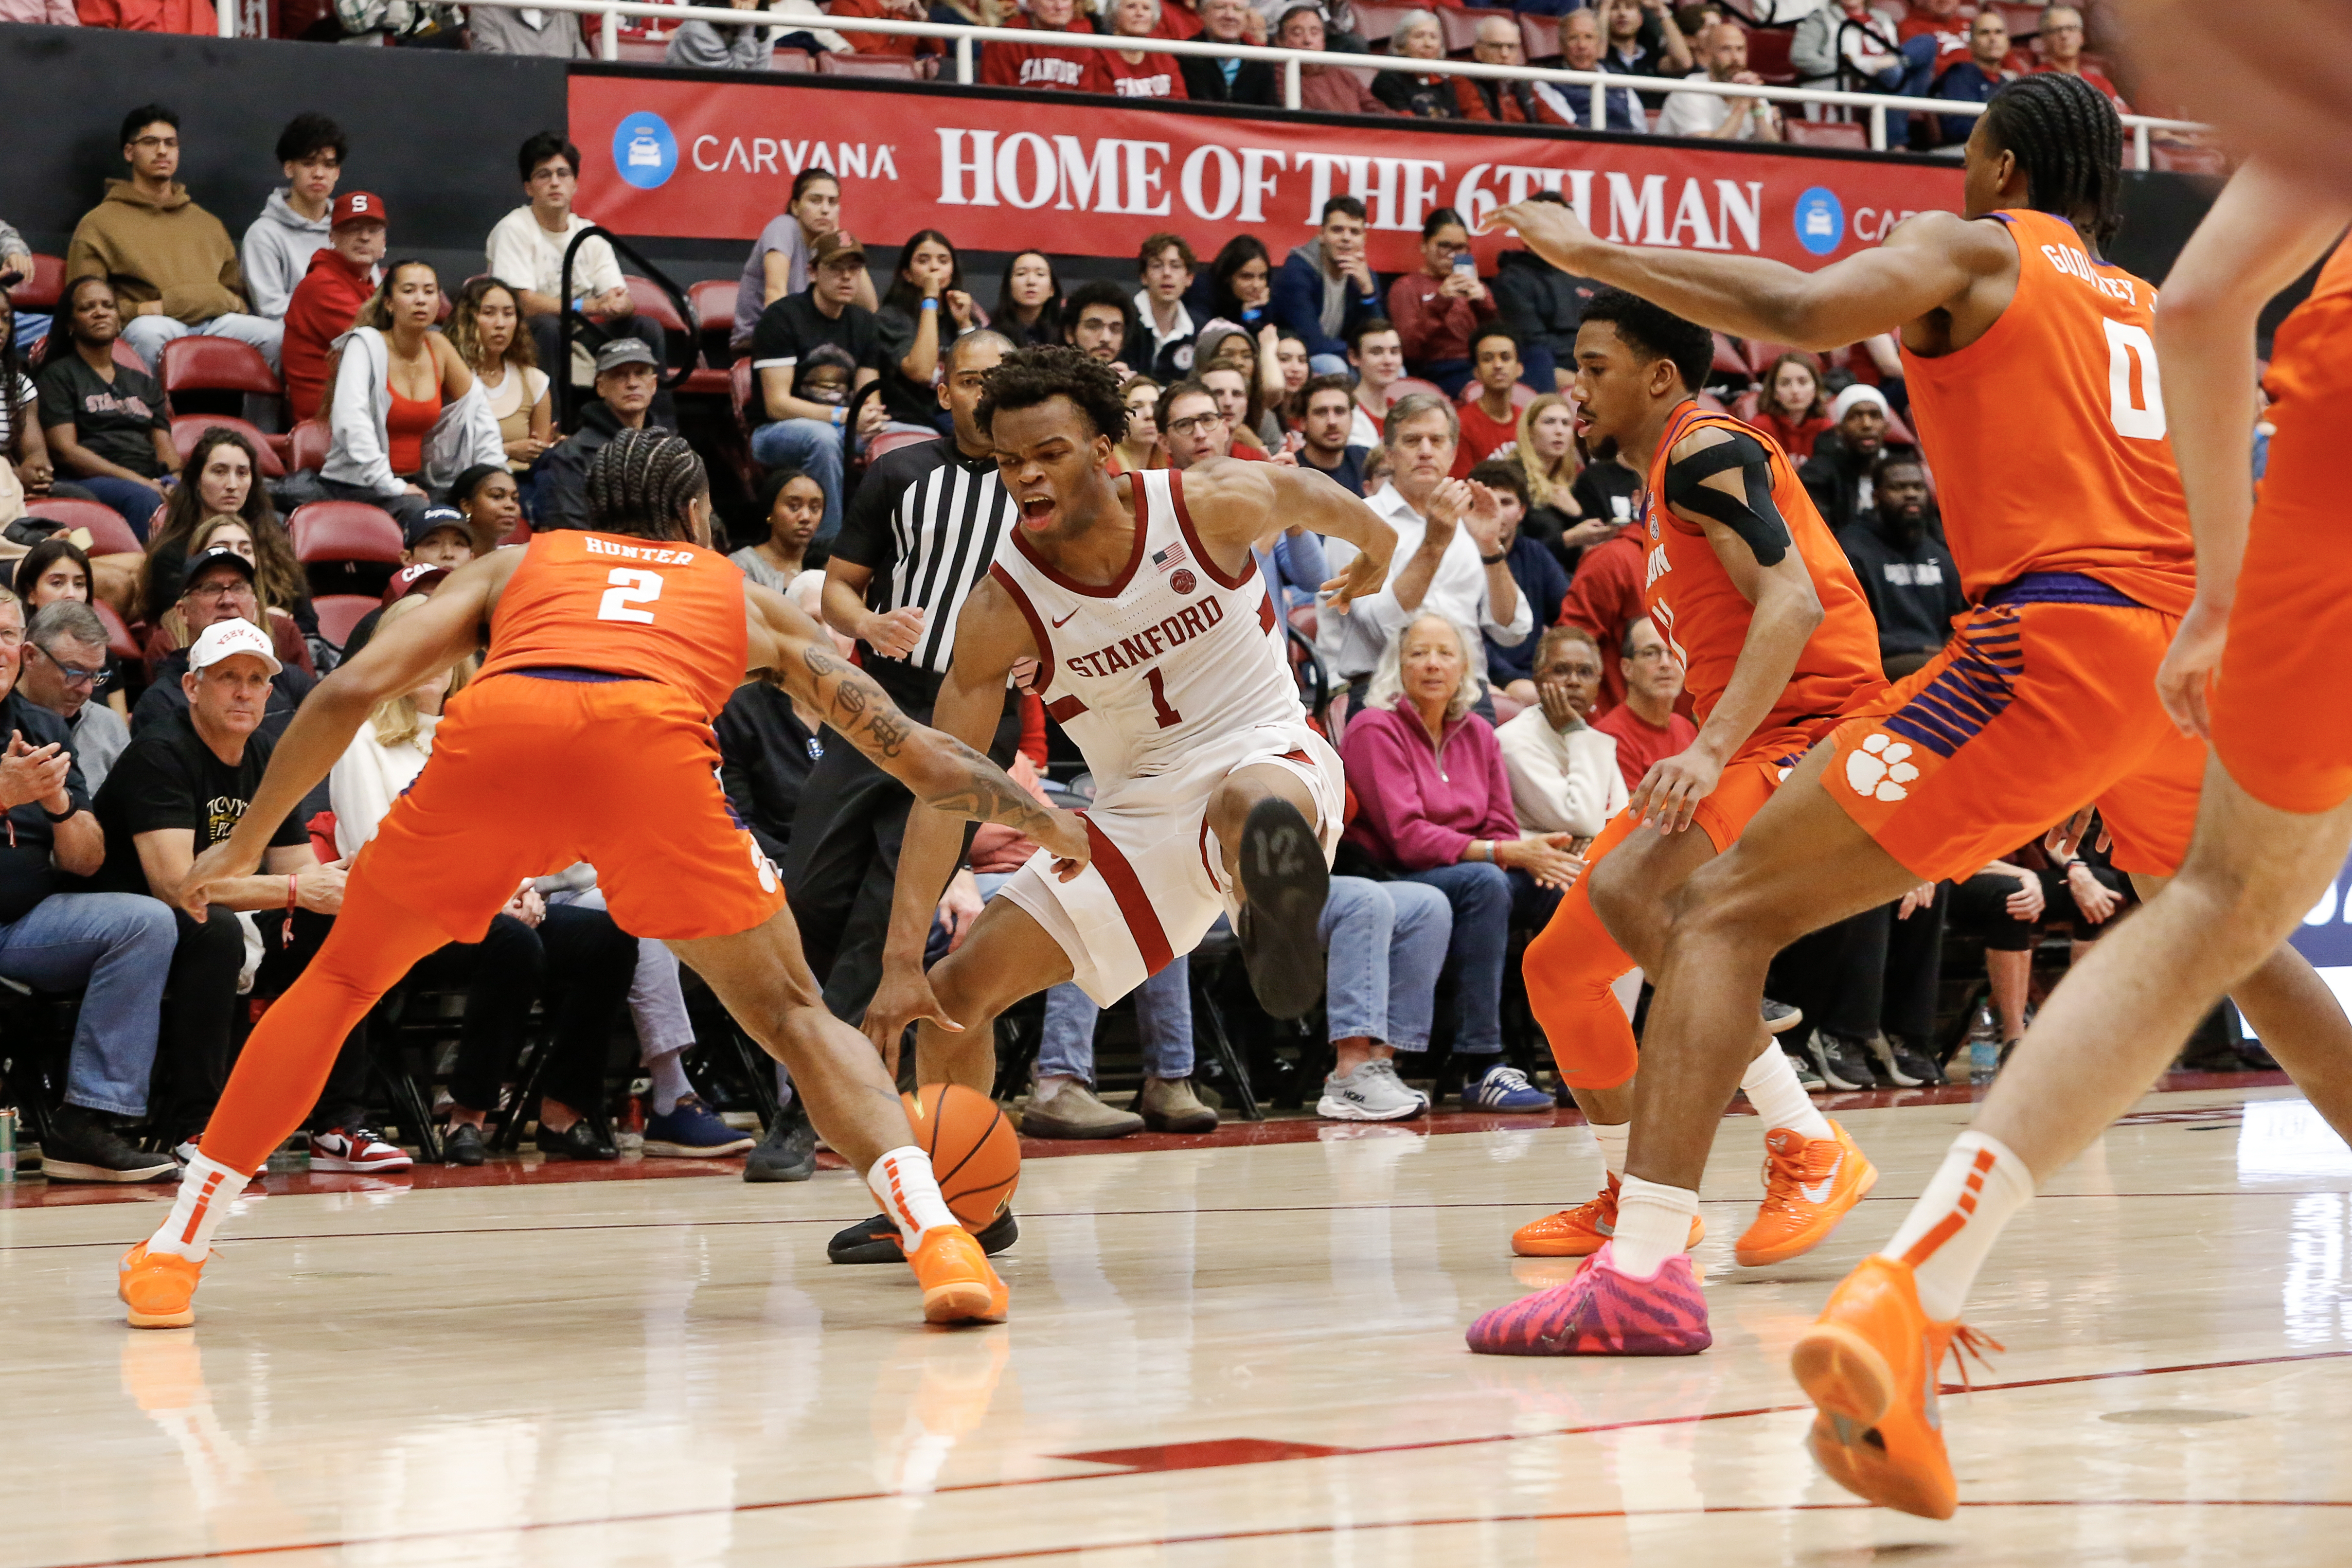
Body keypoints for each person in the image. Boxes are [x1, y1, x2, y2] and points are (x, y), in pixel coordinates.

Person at [1479, 78, 2351, 1399]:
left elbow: (1796, 308)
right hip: (2181, 659)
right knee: (2228, 935)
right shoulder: (2144, 297)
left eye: (1968, 151)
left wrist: (1591, 250)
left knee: (1713, 911)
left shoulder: (1981, 249)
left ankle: (1643, 1272)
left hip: (2052, 641)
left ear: (2000, 167)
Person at [119, 428, 1094, 1332]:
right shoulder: (737, 591)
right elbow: (912, 750)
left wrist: (243, 844)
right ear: (695, 514)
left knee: (339, 982)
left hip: (506, 738)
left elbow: (349, 687)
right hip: (648, 756)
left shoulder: (517, 564)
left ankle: (174, 1252)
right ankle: (940, 1239)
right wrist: (1044, 817)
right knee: (799, 1014)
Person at [1781, 156, 2352, 1519]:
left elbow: (2201, 306)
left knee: (2209, 906)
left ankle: (1912, 1283)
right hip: (2099, 608)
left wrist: (2220, 595)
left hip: (2311, 470)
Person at [830, 345, 1399, 1265]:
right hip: (1133, 810)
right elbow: (945, 783)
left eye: (1048, 453)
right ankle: (964, 1203)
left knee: (1248, 801)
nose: (1026, 476)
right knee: (954, 996)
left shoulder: (1210, 500)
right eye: (1009, 461)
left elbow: (1322, 496)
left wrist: (1380, 550)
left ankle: (1270, 911)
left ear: (1104, 448)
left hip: (1264, 746)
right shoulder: (1001, 604)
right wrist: (902, 960)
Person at [1448, 289, 1887, 1357]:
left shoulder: (1703, 447)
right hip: (1750, 735)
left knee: (1635, 890)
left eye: (1595, 366)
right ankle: (1632, 1193)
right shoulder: (1661, 481)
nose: (1575, 387)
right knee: (1561, 968)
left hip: (1806, 734)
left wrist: (1703, 746)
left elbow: (1792, 603)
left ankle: (1807, 1142)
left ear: (1657, 375)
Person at [326, 593, 634, 1165]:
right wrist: (497, 894)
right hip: (404, 918)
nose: (434, 656)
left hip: (489, 905)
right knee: (510, 942)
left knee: (609, 936)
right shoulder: (360, 738)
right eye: (419, 644)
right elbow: (379, 850)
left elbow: (516, 832)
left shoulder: (477, 731)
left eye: (444, 644)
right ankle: (467, 1113)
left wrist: (521, 887)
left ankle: (563, 1108)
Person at [789, 334, 1026, 1060]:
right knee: (807, 890)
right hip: (881, 699)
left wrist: (1048, 655)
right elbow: (838, 587)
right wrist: (866, 624)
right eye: (973, 380)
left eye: (1000, 380)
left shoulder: (1041, 485)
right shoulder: (899, 471)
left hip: (976, 712)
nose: (987, 394)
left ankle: (829, 1086)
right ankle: (851, 1061)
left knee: (891, 907)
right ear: (945, 391)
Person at [1339, 612, 1572, 1108]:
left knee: (1559, 886)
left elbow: (1501, 825)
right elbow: (1407, 839)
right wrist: (1501, 853)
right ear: (1397, 665)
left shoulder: (1479, 733)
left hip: (1473, 870)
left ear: (1464, 667)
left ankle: (1573, 1058)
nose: (1433, 664)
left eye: (1445, 653)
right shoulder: (1372, 727)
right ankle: (1481, 1064)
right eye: (1419, 653)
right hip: (1396, 874)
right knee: (1486, 884)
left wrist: (1517, 854)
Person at [0, 585, 178, 1183]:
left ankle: (88, 1122)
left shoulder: (43, 724)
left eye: (6, 635)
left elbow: (86, 860)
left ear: (22, 648)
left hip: (24, 923)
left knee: (146, 921)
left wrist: (56, 803)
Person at [1318, 394, 1530, 704]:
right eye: (1413, 440)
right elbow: (1381, 626)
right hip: (1384, 690)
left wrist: (1490, 548)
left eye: (1437, 440)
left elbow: (1512, 630)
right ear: (1389, 454)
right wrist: (1433, 545)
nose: (1426, 451)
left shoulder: (1470, 523)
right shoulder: (1355, 522)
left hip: (1468, 692)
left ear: (1453, 453)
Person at [66, 106, 283, 375]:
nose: (162, 151)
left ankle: (260, 408)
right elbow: (83, 303)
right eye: (151, 142)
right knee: (148, 332)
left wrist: (225, 303)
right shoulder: (99, 223)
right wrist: (146, 309)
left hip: (216, 324)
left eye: (170, 143)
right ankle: (144, 405)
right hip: (153, 324)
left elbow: (234, 293)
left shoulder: (207, 223)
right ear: (129, 152)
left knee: (275, 336)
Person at [318, 259, 502, 535]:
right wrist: (390, 484)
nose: (421, 300)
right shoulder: (365, 344)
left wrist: (497, 477)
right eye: (409, 291)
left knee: (480, 513)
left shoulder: (439, 346)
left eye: (429, 291)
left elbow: (480, 414)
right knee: (433, 522)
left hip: (416, 484)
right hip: (357, 486)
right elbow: (351, 420)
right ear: (389, 303)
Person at [484, 133, 661, 394]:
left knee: (645, 328)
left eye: (563, 174)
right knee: (548, 326)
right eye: (544, 175)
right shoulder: (514, 228)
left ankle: (659, 418)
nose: (555, 183)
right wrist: (589, 306)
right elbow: (523, 303)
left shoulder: (590, 234)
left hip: (581, 333)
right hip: (530, 335)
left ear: (575, 183)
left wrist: (619, 306)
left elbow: (620, 297)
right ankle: (551, 418)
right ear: (529, 187)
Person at [748, 232, 885, 545]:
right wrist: (845, 417)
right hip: (776, 431)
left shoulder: (864, 323)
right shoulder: (782, 317)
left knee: (908, 439)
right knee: (822, 439)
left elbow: (870, 398)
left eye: (854, 268)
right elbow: (777, 405)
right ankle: (826, 549)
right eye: (836, 267)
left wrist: (870, 419)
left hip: (844, 427)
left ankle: (891, 544)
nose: (847, 277)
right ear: (812, 271)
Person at [34, 277, 178, 539]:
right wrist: (138, 481)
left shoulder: (143, 383)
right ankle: (146, 565)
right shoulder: (58, 376)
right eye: (88, 307)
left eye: (108, 305)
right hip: (87, 480)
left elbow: (166, 452)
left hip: (148, 478)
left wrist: (176, 482)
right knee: (142, 498)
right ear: (70, 324)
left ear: (119, 320)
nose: (100, 312)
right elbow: (65, 451)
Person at [131, 546, 319, 738]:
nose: (228, 600)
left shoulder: (291, 681)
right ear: (183, 612)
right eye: (211, 588)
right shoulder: (161, 701)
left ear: (255, 608)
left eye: (238, 588)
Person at [139, 426, 287, 624]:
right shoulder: (170, 556)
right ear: (197, 481)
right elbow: (180, 626)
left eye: (242, 473)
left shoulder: (273, 545)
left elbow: (306, 621)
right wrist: (265, 618)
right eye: (219, 472)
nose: (232, 485)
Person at [1837, 451, 1963, 678]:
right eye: (1899, 488)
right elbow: (1849, 630)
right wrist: (1921, 649)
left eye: (1918, 487)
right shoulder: (1852, 549)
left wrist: (1950, 647)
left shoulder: (1940, 554)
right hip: (1878, 661)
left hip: (1939, 658)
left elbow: (1957, 619)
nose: (1911, 494)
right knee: (1939, 672)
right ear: (1876, 497)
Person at [1498, 623, 1627, 843]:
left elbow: (1620, 819)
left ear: (1598, 682)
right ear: (1538, 680)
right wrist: (1574, 731)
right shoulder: (1514, 741)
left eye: (1585, 672)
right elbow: (1583, 821)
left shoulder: (1592, 738)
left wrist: (1592, 838)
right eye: (1561, 670)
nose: (1574, 682)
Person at [731, 170, 877, 355]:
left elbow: (869, 308)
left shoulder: (826, 243)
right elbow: (775, 296)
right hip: (760, 341)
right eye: (815, 201)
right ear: (795, 207)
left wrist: (841, 244)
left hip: (809, 341)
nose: (825, 210)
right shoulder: (783, 227)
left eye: (832, 202)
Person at [534, 338, 664, 534]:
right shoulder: (570, 457)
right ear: (600, 386)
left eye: (640, 373)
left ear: (654, 384)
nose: (632, 384)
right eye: (620, 375)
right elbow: (568, 533)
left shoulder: (670, 450)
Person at [279, 190, 386, 425]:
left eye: (373, 230)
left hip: (358, 414)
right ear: (333, 237)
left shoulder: (364, 284)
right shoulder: (322, 284)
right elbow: (383, 347)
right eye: (353, 228)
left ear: (384, 240)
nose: (364, 237)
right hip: (327, 425)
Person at [1465, 460, 1567, 700]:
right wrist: (1512, 680)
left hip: (1535, 675)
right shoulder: (1458, 556)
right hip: (1475, 675)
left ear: (1522, 511)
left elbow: (1567, 615)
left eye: (1506, 502)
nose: (1496, 511)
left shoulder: (1536, 554)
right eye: (1487, 501)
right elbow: (1469, 638)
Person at [240, 114, 347, 323]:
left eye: (328, 165)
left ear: (337, 173)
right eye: (309, 164)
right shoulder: (263, 235)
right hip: (294, 337)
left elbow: (374, 300)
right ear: (289, 169)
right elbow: (272, 311)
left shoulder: (349, 229)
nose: (319, 174)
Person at [1494, 194, 1602, 395]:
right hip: (1553, 368)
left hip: (1602, 364)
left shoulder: (1593, 276)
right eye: (1548, 222)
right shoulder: (1513, 280)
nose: (1555, 229)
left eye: (1560, 222)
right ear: (1526, 232)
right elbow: (1533, 342)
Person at [19, 599, 130, 792]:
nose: (87, 690)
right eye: (75, 673)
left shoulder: (108, 726)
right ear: (31, 656)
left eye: (95, 675)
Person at [446, 277, 552, 476]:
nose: (500, 324)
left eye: (509, 314)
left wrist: (546, 450)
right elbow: (442, 455)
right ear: (466, 320)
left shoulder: (535, 381)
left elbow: (540, 457)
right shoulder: (449, 376)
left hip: (520, 484)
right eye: (489, 313)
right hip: (465, 484)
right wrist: (507, 450)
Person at [874, 230, 975, 435]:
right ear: (908, 274)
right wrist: (930, 299)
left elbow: (981, 376)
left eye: (943, 261)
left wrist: (965, 324)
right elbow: (922, 373)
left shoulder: (962, 313)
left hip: (955, 416)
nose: (934, 267)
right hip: (910, 419)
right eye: (923, 261)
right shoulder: (891, 318)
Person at [1388, 209, 1497, 397]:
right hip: (1434, 368)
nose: (1453, 255)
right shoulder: (1406, 287)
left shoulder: (1477, 287)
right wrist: (1440, 302)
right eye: (1444, 246)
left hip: (1479, 363)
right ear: (1424, 246)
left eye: (1460, 248)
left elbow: (1499, 337)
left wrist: (1483, 305)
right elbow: (1409, 348)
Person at [1274, 197, 1382, 374]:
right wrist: (1364, 353)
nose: (1346, 238)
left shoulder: (1365, 276)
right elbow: (1311, 341)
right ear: (1322, 235)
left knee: (1395, 370)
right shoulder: (1297, 272)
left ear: (1364, 239)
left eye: (1355, 232)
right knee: (1335, 367)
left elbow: (1379, 335)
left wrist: (1367, 292)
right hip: (1299, 356)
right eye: (1337, 230)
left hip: (1343, 353)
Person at [1593, 617, 1697, 791]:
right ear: (1627, 668)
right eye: (1651, 653)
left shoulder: (1687, 729)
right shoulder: (1609, 737)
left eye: (1674, 653)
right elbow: (1632, 807)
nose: (1665, 664)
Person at [1513, 392, 1611, 570]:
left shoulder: (1569, 481)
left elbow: (1587, 545)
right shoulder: (1513, 477)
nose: (1559, 431)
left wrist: (1577, 514)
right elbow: (1514, 551)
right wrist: (1569, 538)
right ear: (1529, 431)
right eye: (1549, 422)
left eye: (1566, 423)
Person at [1658, 19, 1783, 141]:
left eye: (1740, 49)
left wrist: (1757, 109)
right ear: (1708, 55)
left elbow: (1771, 149)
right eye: (1726, 49)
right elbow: (1707, 150)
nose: (1735, 58)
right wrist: (1741, 106)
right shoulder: (1688, 91)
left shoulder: (1749, 88)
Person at [1798, 382, 1896, 531]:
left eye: (1875, 416)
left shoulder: (1901, 471)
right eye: (1855, 417)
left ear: (1887, 427)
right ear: (1839, 429)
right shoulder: (1817, 473)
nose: (1867, 425)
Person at [1533, 10, 1649, 133]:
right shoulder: (1547, 81)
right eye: (1573, 38)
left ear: (1600, 44)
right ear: (1562, 45)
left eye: (1589, 37)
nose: (1582, 45)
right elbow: (1567, 130)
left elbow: (1641, 129)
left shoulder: (1618, 77)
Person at [1930, 8, 2019, 149]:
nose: (1993, 39)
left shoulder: (2012, 83)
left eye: (1999, 32)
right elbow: (1961, 128)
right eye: (1985, 33)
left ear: (2008, 42)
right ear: (1970, 44)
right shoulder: (1958, 76)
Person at [1279, 5, 1388, 116]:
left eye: (1315, 33)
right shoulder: (1277, 79)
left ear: (1323, 40)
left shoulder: (1345, 77)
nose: (1308, 40)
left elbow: (1377, 110)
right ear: (1281, 41)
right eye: (1297, 34)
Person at [1455, 14, 1564, 124]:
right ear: (1478, 51)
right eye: (1496, 46)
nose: (1505, 54)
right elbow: (1483, 127)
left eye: (1511, 47)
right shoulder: (1464, 79)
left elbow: (1556, 123)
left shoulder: (1524, 83)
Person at [730, 469, 824, 594]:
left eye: (815, 508)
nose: (806, 517)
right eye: (794, 507)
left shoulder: (828, 564)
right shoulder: (743, 565)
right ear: (770, 512)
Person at [1452, 326, 1527, 475]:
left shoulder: (1528, 421)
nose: (1498, 365)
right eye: (1487, 359)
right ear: (1477, 372)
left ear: (1519, 369)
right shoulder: (1462, 424)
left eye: (1506, 358)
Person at [2029, 3, 2128, 111]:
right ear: (2044, 40)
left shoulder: (2101, 83)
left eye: (2071, 29)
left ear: (2082, 38)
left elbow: (2128, 118)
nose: (2064, 35)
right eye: (2057, 30)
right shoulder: (2035, 80)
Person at [982, 0, 1098, 89]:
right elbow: (994, 97)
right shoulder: (1005, 40)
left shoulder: (1084, 39)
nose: (1059, 7)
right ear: (1030, 3)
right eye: (1050, 0)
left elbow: (1090, 98)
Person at [1181, 0, 1280, 103]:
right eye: (1220, 8)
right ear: (1202, 14)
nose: (1230, 16)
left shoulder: (1260, 61)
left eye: (1238, 9)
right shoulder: (1185, 55)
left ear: (1247, 17)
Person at [1132, 234, 1200, 384]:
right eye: (1157, 266)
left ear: (1189, 278)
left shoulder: (1200, 328)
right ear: (1144, 277)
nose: (1167, 273)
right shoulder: (1124, 321)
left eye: (1176, 266)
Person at [1087, 0, 1187, 97]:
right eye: (1131, 7)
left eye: (1146, 8)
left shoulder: (1164, 55)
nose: (1140, 13)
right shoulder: (1099, 57)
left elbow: (1180, 100)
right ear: (1114, 14)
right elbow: (1102, 103)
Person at [1371, 11, 1456, 119]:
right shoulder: (1388, 80)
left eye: (1434, 37)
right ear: (1401, 46)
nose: (1428, 44)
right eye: (1419, 36)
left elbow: (1457, 122)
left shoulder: (1444, 82)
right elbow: (1408, 124)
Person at [1295, 373, 1369, 495]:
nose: (1332, 422)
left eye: (1340, 411)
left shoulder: (1368, 462)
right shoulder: (1292, 470)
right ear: (1303, 423)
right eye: (1321, 412)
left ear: (1352, 419)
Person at [1754, 353, 1832, 461]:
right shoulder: (1759, 429)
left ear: (1816, 388)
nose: (1795, 390)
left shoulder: (1827, 429)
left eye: (1803, 382)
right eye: (1785, 383)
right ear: (1774, 392)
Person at [1343, 316, 1405, 450]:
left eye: (1394, 352)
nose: (1388, 361)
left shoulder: (1402, 413)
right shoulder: (1343, 413)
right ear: (1354, 357)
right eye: (1377, 352)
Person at [664, 0, 776, 67]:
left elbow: (762, 73)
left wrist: (749, 22)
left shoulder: (760, 23)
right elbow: (733, 79)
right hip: (692, 95)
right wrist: (747, 24)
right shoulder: (697, 27)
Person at [1061, 280, 1137, 375]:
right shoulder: (1050, 379)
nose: (1106, 338)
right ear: (1070, 334)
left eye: (1116, 329)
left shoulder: (1132, 382)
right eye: (1094, 327)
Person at [992, 250, 1063, 350]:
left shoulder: (1065, 333)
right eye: (1021, 274)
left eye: (1040, 274)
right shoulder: (993, 335)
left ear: (1052, 289)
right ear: (1008, 286)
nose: (1031, 281)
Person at [1112, 374, 1162, 473]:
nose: (1150, 414)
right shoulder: (1103, 469)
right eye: (1136, 407)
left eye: (1156, 406)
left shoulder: (1170, 461)